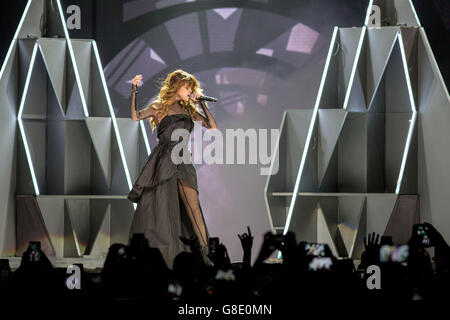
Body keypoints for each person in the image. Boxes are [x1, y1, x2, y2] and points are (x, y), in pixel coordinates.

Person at [127, 69, 218, 269]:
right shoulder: (158, 107)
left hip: (183, 158)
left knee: (193, 209)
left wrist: (201, 102)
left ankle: (206, 256)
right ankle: (163, 258)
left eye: (192, 88)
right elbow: (135, 117)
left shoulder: (189, 111)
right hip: (163, 159)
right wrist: (134, 91)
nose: (190, 91)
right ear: (176, 88)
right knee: (161, 208)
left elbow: (212, 127)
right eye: (187, 87)